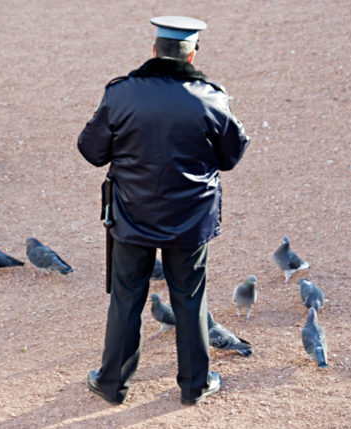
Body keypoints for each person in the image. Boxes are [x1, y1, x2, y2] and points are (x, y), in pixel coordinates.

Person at [77, 15, 250, 406]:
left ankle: (111, 383)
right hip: (190, 220)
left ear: (154, 51)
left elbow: (91, 150)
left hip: (132, 215)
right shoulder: (211, 97)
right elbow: (231, 156)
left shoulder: (122, 94)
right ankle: (195, 385)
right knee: (190, 299)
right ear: (192, 54)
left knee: (126, 299)